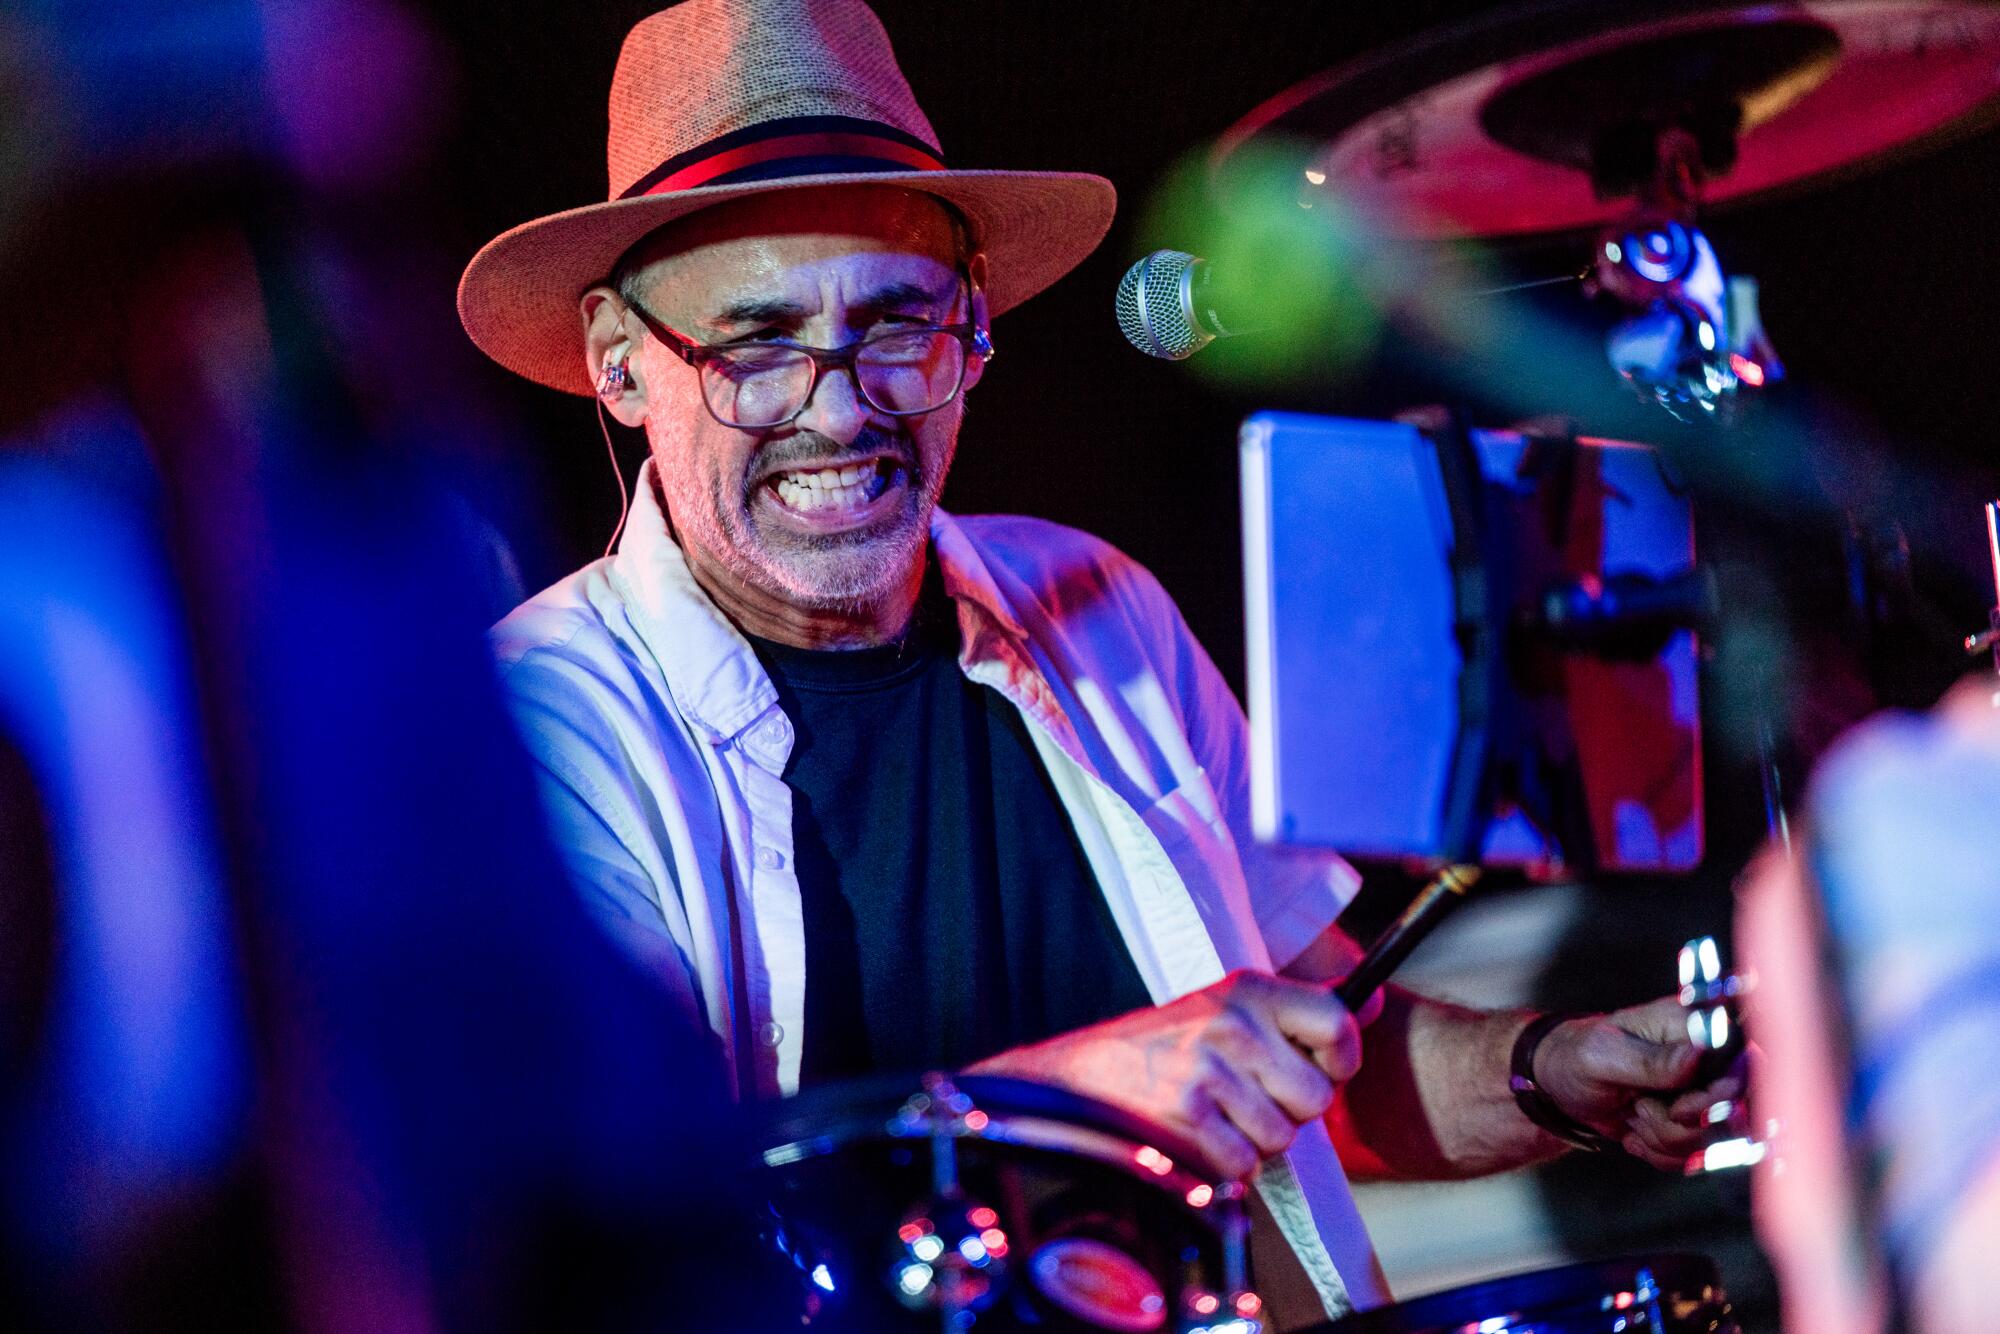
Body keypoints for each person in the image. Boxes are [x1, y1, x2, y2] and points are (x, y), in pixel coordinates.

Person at [459, 0, 1734, 1321]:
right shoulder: (535, 728)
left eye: (899, 326)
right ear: (619, 363)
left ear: (975, 330)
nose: (840, 406)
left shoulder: (1098, 608)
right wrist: (1074, 1099)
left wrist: (1549, 1069)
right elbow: (601, 1211)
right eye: (758, 344)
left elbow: (1301, 1073)